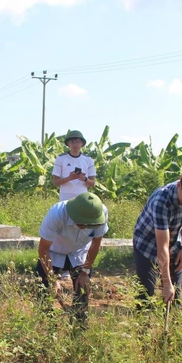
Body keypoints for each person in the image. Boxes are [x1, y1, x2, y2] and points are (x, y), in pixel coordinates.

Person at [132, 169, 182, 305]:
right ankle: (143, 324)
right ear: (179, 185)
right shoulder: (162, 200)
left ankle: (173, 323)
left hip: (173, 243)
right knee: (146, 293)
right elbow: (162, 247)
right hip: (147, 243)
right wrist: (166, 283)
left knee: (175, 294)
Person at [35, 192, 108, 326]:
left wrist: (85, 272)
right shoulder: (57, 214)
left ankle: (78, 329)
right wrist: (52, 280)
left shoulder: (100, 213)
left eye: (89, 225)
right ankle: (46, 328)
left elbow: (95, 245)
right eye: (83, 224)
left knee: (82, 290)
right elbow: (43, 249)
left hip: (79, 253)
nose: (86, 227)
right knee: (44, 290)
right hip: (53, 252)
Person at [52, 130, 96, 202]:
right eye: (72, 142)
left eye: (77, 142)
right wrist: (70, 178)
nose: (75, 144)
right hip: (65, 198)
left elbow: (93, 183)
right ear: (68, 144)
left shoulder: (88, 160)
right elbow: (55, 182)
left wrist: (85, 179)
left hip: (82, 198)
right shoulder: (61, 158)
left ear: (82, 143)